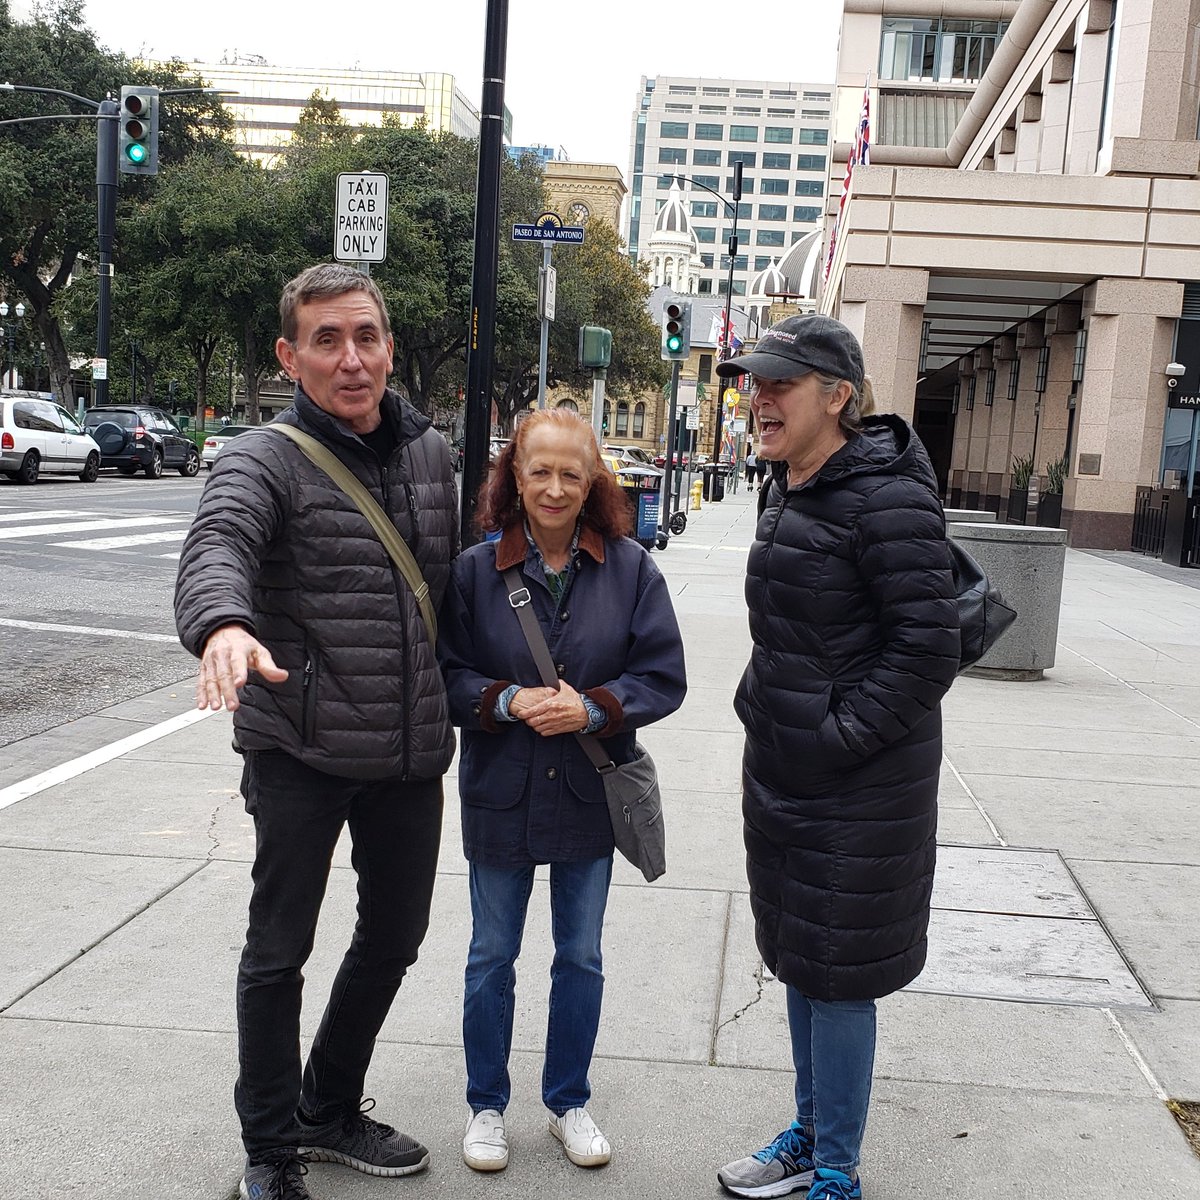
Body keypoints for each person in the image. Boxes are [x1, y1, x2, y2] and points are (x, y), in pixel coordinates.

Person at [175, 263, 458, 1200]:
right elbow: (221, 539)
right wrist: (222, 622)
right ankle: (269, 1150)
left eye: (366, 336)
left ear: (389, 344)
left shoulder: (429, 454)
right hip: (298, 745)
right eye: (327, 340)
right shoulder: (264, 457)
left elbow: (456, 585)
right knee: (279, 950)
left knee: (395, 936)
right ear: (289, 356)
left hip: (408, 749)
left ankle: (329, 1107)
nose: (351, 358)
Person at [712, 315, 960, 1200]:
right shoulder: (788, 484)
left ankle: (836, 1171)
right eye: (753, 381)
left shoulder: (886, 496)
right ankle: (810, 1132)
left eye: (779, 383)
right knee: (800, 956)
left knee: (843, 975)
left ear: (838, 396)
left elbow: (928, 648)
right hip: (786, 771)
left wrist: (835, 735)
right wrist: (767, 709)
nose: (758, 397)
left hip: (859, 787)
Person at [437, 407, 686, 1176]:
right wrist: (506, 702)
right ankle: (486, 1105)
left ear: (593, 482)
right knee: (491, 955)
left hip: (586, 789)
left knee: (580, 954)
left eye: (570, 474)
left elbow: (663, 678)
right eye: (538, 471)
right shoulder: (475, 573)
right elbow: (445, 677)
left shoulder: (632, 569)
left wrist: (595, 707)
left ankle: (568, 1101)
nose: (553, 487)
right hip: (501, 790)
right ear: (514, 476)